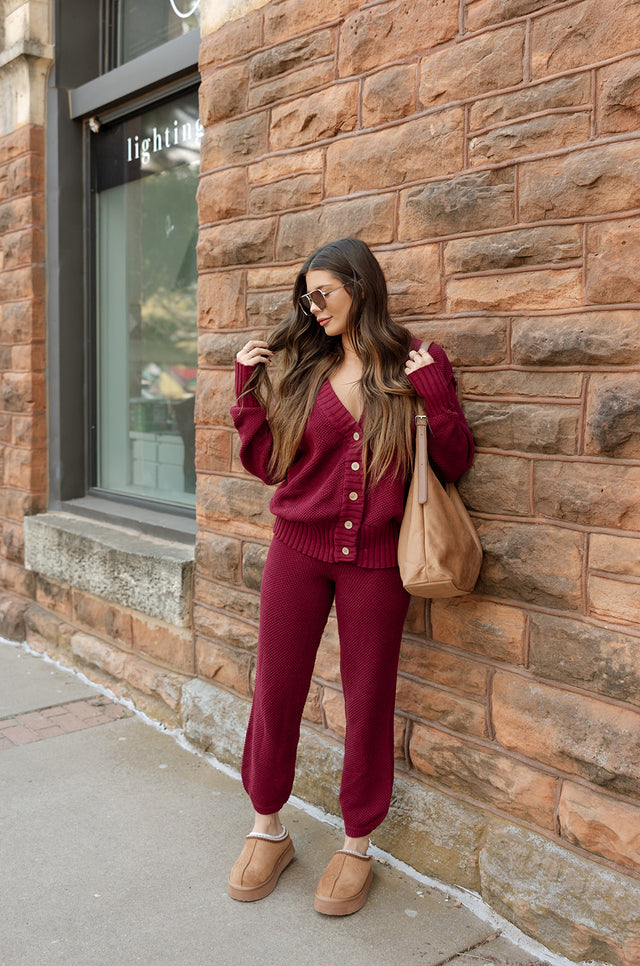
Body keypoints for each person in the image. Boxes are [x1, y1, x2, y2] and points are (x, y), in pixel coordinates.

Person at [228, 237, 474, 916]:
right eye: (305, 298)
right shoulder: (305, 369)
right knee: (276, 688)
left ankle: (357, 842)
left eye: (323, 294)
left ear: (360, 288)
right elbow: (271, 465)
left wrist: (432, 395)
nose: (312, 309)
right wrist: (248, 394)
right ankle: (266, 828)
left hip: (377, 562)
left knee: (368, 701)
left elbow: (455, 460)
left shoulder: (417, 363)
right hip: (297, 550)